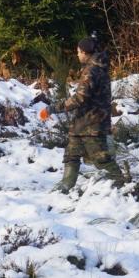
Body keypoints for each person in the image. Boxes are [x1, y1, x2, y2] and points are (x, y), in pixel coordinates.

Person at [40, 35, 124, 192]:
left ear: (85, 52)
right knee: (71, 154)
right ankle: (65, 186)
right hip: (82, 123)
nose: (77, 55)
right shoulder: (97, 68)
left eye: (78, 52)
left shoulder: (91, 71)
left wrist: (53, 108)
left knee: (101, 159)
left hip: (92, 123)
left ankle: (122, 185)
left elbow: (80, 98)